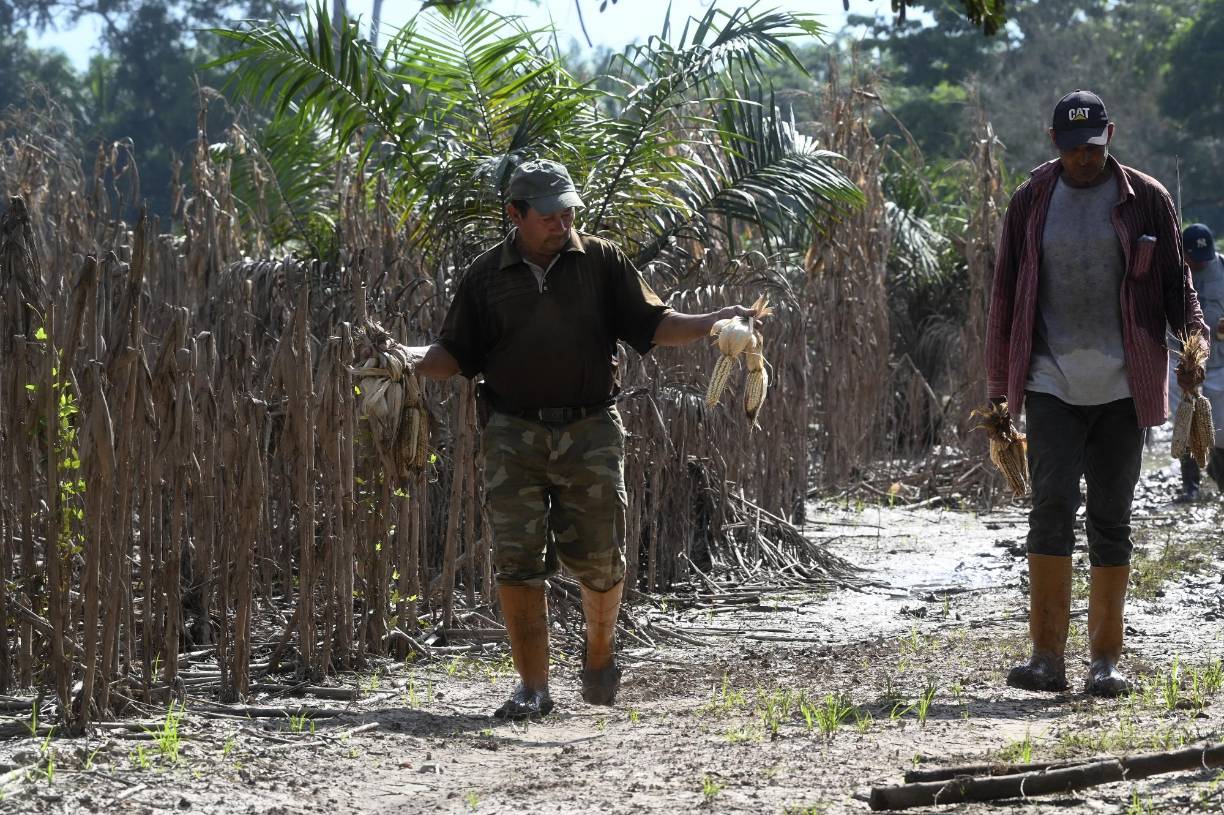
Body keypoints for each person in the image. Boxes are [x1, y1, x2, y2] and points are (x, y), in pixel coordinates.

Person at [408, 158, 763, 718]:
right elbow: (454, 356)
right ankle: (533, 688)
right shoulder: (484, 278)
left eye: (569, 209)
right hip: (511, 434)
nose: (563, 220)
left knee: (600, 557)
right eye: (549, 214)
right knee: (517, 561)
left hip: (591, 430)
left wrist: (713, 322)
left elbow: (655, 325)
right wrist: (403, 361)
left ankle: (600, 655)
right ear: (516, 214)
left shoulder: (601, 262)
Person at [986, 90, 1207, 697]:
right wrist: (997, 392)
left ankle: (1106, 660)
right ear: (1053, 141)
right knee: (1050, 509)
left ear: (1110, 135)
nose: (1085, 158)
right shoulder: (1031, 201)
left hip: (1123, 386)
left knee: (1112, 518)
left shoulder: (1147, 200)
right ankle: (1045, 659)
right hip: (1049, 381)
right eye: (1073, 147)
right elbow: (1005, 296)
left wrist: (1194, 342)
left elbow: (1176, 286)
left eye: (1095, 146)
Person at [1171, 223, 1224, 502]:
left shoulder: (1222, 268)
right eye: (1195, 259)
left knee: (1219, 426)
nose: (1201, 264)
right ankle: (1190, 485)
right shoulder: (1172, 273)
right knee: (1187, 422)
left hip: (1218, 363)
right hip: (1182, 365)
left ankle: (1219, 478)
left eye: (1206, 258)